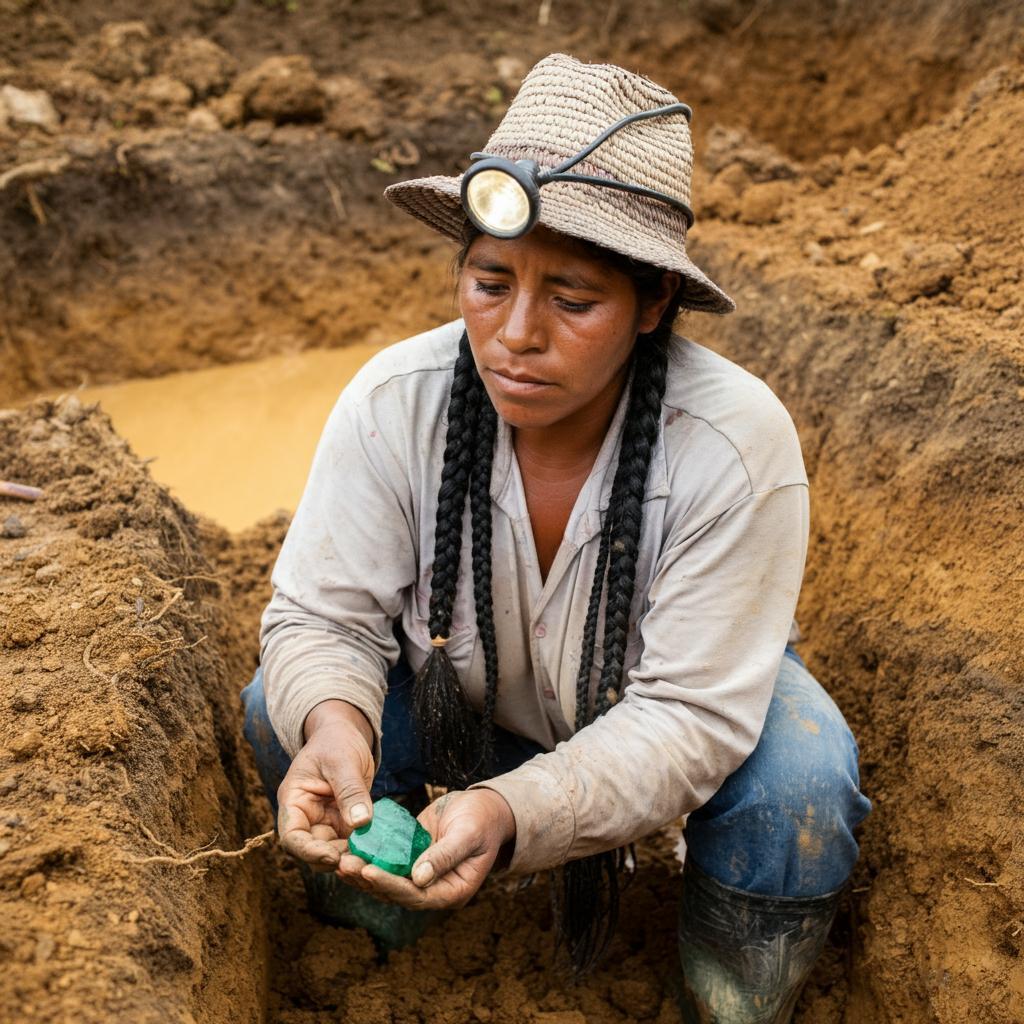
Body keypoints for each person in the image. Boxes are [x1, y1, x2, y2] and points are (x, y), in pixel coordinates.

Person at [240, 53, 870, 1023]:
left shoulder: (734, 447)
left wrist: (514, 812)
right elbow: (319, 619)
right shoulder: (392, 405)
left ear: (654, 301)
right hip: (472, 711)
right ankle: (390, 950)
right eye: (489, 282)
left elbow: (688, 719)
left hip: (657, 720)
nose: (515, 334)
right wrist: (333, 725)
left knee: (799, 778)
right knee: (278, 713)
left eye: (572, 301)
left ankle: (728, 995)